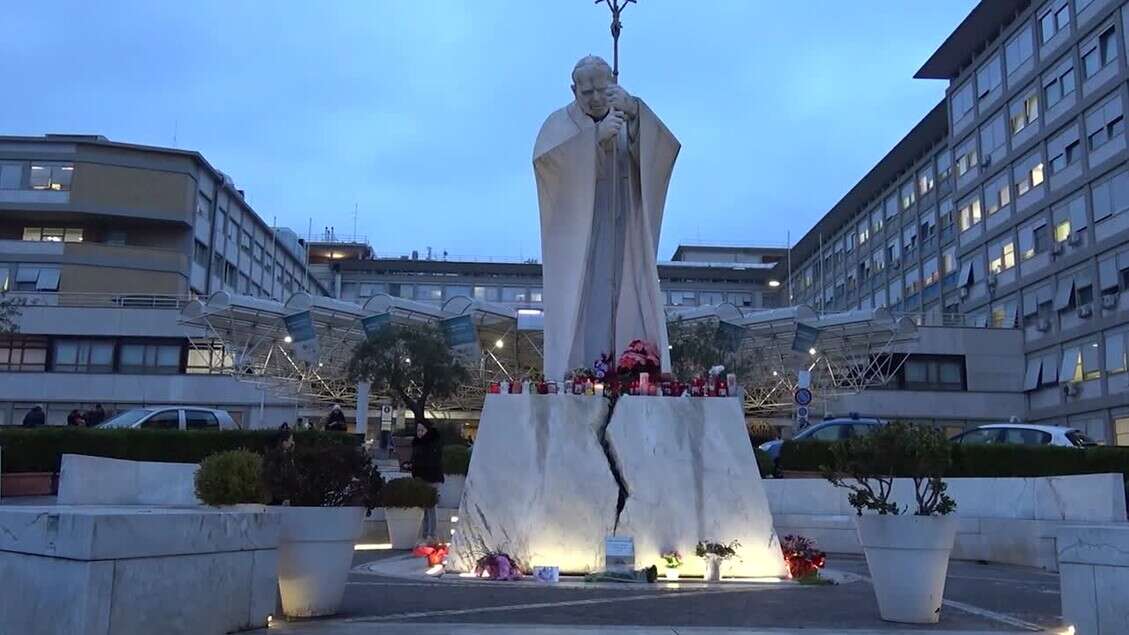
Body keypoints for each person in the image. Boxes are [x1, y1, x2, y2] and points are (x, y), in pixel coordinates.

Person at [534, 55, 679, 380]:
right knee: (587, 299)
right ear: (573, 91)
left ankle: (633, 368)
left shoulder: (626, 113)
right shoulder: (558, 124)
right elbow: (547, 168)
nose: (596, 98)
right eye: (587, 93)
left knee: (628, 291)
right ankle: (579, 372)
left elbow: (663, 153)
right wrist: (595, 140)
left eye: (602, 88)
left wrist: (637, 115)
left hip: (624, 226)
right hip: (581, 234)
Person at [407, 421, 444, 539]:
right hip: (421, 478)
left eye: (422, 430)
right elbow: (416, 460)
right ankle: (425, 534)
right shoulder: (417, 443)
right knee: (425, 507)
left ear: (427, 430)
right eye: (418, 430)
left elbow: (432, 461)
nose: (420, 433)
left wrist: (416, 466)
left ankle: (432, 534)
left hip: (432, 478)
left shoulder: (433, 443)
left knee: (431, 507)